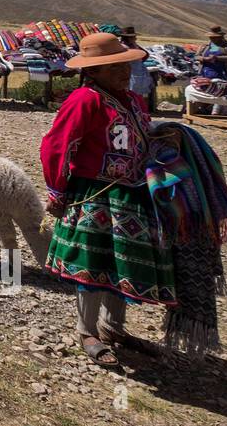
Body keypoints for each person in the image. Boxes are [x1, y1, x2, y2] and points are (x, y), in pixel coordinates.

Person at [41, 32, 173, 368]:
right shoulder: (85, 100)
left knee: (122, 261)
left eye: (125, 64)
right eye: (113, 67)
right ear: (94, 71)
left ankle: (114, 327)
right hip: (95, 195)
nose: (124, 72)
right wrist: (57, 188)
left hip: (132, 195)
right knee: (92, 264)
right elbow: (57, 144)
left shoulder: (133, 101)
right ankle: (87, 331)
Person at [119, 26, 155, 111]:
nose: (135, 38)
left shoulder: (133, 46)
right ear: (128, 37)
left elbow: (145, 54)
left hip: (136, 71)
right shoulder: (123, 47)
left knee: (137, 94)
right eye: (133, 37)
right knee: (130, 93)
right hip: (130, 72)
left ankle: (139, 111)